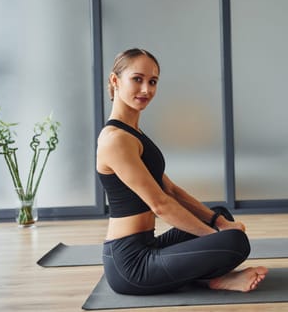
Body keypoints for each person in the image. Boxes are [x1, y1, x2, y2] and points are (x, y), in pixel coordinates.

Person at [96, 48, 268, 295]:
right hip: (130, 266)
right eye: (137, 79)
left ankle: (214, 277)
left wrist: (217, 223)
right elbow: (160, 204)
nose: (146, 89)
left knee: (220, 214)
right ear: (115, 80)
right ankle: (218, 279)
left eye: (152, 81)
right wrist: (214, 238)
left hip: (149, 246)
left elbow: (171, 190)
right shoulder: (115, 139)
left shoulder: (134, 134)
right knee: (232, 242)